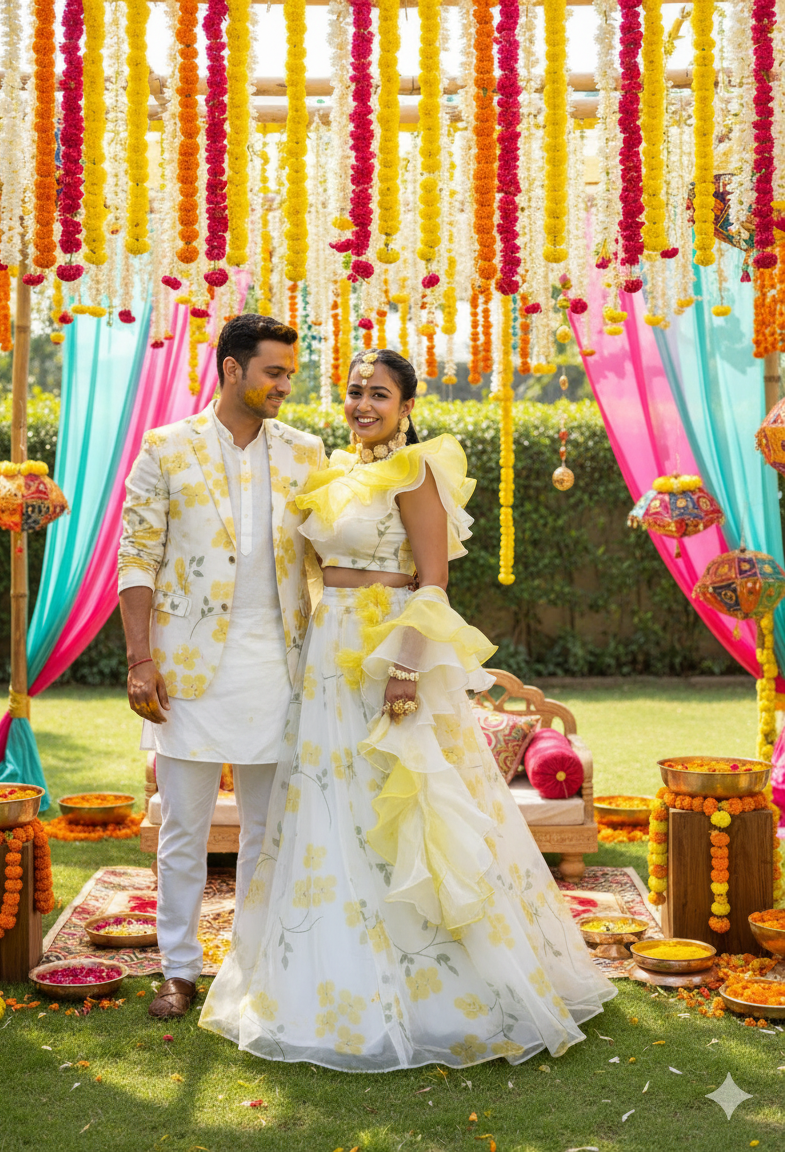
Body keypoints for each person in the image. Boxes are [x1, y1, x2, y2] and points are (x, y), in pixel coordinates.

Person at [199, 348, 616, 1069]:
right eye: (355, 391)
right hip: (326, 658)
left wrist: (405, 668)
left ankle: (443, 988)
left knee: (407, 803)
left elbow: (434, 581)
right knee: (330, 809)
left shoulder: (417, 470)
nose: (363, 404)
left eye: (380, 394)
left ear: (406, 406)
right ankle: (330, 979)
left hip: (387, 651)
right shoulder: (333, 471)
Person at [117, 314, 328, 1020]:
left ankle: (251, 968)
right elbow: (137, 557)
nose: (285, 386)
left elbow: (331, 553)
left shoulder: (307, 452)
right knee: (184, 829)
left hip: (281, 668)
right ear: (232, 369)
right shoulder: (165, 448)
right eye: (275, 372)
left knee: (268, 831)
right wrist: (141, 658)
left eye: (290, 373)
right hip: (187, 671)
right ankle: (179, 970)